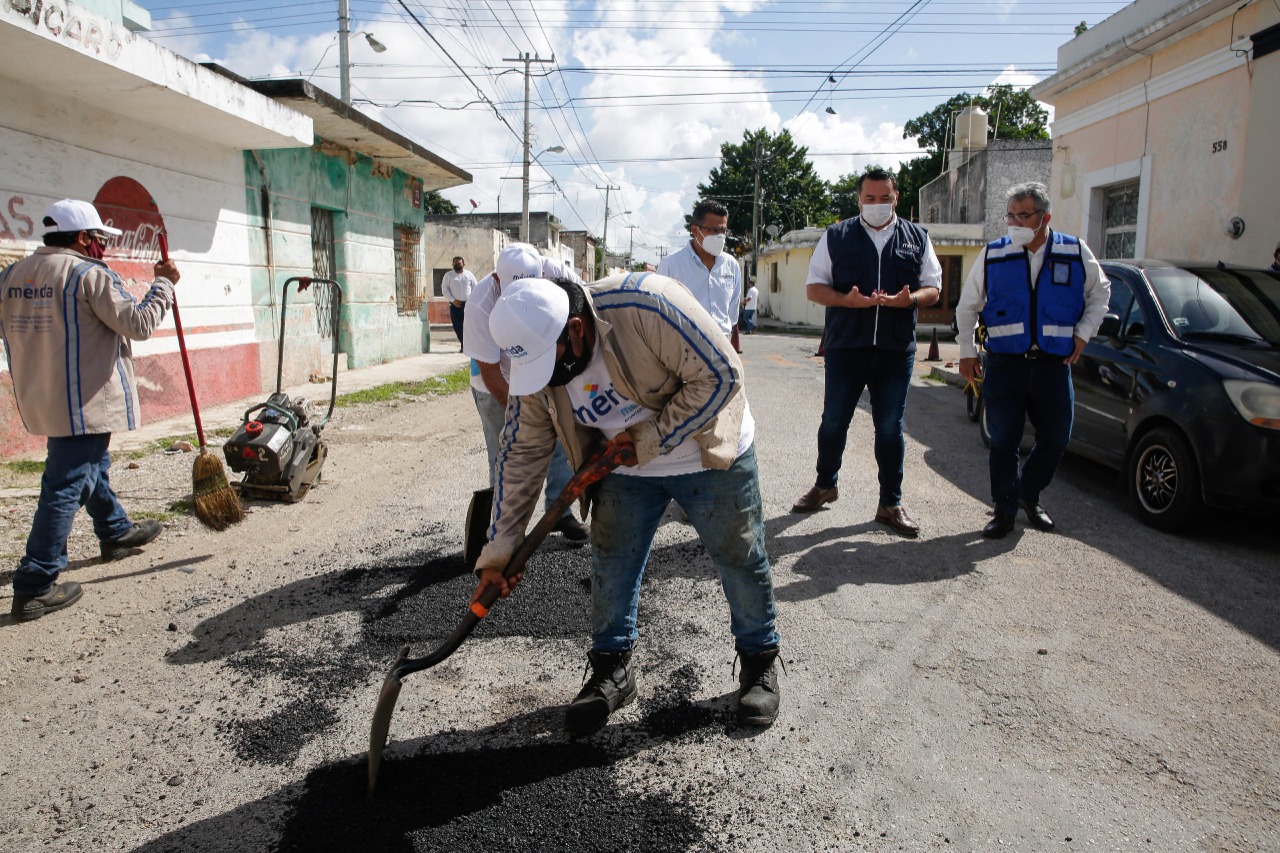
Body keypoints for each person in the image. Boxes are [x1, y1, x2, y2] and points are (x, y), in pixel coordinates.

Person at [474, 273, 781, 734]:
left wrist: (650, 438)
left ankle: (759, 659)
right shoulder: (536, 359)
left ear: (576, 328)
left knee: (739, 554)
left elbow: (723, 374)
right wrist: (500, 548)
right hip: (621, 464)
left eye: (550, 364)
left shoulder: (646, 306)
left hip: (705, 449)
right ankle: (612, 670)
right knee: (611, 560)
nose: (546, 380)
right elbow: (522, 452)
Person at [1, 199, 180, 621]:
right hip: (85, 399)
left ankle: (114, 531)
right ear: (82, 238)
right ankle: (36, 582)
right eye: (99, 239)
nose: (102, 247)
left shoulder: (11, 276)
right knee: (65, 483)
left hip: (43, 395)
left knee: (90, 464)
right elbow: (138, 323)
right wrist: (163, 285)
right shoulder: (87, 274)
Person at [791, 167, 941, 538]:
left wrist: (911, 299)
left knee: (890, 429)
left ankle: (890, 504)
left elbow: (933, 288)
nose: (877, 204)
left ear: (896, 197)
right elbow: (814, 288)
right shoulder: (837, 236)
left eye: (884, 198)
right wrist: (847, 301)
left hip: (894, 351)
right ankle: (825, 484)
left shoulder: (917, 237)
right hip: (847, 348)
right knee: (833, 423)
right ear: (858, 199)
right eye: (869, 198)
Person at [955, 182, 1110, 538]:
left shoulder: (1074, 252)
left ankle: (1029, 493)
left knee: (1056, 438)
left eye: (1024, 215)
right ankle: (1004, 509)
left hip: (1053, 366)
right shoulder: (994, 254)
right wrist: (966, 351)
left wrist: (1084, 332)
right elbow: (967, 306)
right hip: (1005, 365)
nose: (1015, 222)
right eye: (1011, 215)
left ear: (1046, 217)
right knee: (1004, 441)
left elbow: (1101, 292)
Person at [463, 243, 588, 540]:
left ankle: (560, 512)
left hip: (546, 367)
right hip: (496, 379)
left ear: (542, 274)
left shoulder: (560, 275)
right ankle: (501, 532)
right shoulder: (480, 304)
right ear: (497, 281)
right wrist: (522, 416)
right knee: (505, 452)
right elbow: (490, 371)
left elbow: (587, 317)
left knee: (561, 439)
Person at [656, 199, 743, 341]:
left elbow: (732, 315)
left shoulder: (732, 265)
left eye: (723, 230)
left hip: (722, 346)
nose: (720, 236)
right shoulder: (671, 265)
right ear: (695, 230)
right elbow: (658, 313)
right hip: (684, 346)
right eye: (714, 230)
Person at [441, 255, 476, 349]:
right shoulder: (448, 275)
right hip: (455, 305)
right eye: (455, 263)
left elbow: (475, 288)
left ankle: (467, 346)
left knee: (469, 326)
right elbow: (444, 290)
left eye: (459, 263)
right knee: (457, 326)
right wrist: (453, 300)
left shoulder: (469, 275)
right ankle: (464, 344)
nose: (457, 265)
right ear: (452, 264)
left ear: (463, 264)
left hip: (468, 305)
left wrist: (473, 302)